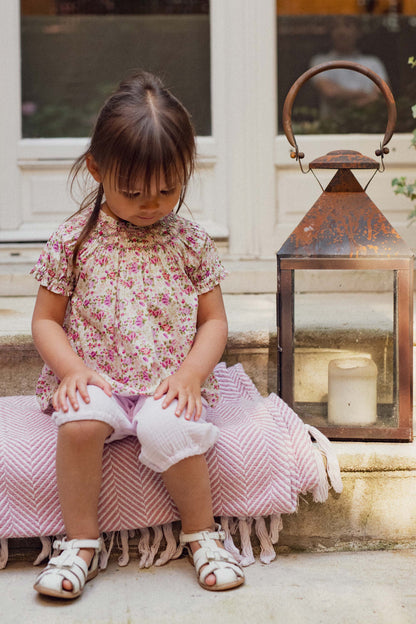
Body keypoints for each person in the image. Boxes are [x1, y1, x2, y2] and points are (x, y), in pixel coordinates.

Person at [31, 71, 245, 599]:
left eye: (168, 189)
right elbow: (45, 320)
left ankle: (202, 534)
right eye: (133, 191)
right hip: (96, 377)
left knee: (172, 430)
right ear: (98, 170)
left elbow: (214, 320)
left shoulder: (190, 241)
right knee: (79, 426)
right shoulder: (73, 240)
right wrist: (72, 371)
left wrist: (193, 372)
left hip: (164, 382)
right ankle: (81, 543)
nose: (151, 204)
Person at [310, 16, 388, 120]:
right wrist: (364, 95)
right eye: (335, 26)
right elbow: (330, 92)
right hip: (331, 132)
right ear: (330, 32)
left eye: (348, 25)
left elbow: (382, 96)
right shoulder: (320, 61)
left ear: (358, 32)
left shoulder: (373, 62)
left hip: (370, 131)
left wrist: (348, 101)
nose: (341, 31)